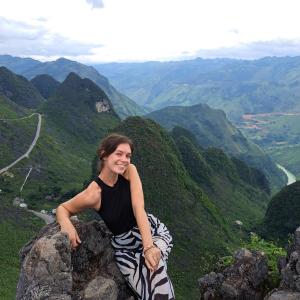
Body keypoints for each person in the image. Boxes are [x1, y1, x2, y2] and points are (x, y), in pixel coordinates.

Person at [56, 133, 175, 299]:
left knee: (157, 271)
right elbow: (63, 208)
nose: (125, 160)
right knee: (153, 287)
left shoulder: (130, 171)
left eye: (128, 156)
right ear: (104, 155)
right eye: (119, 154)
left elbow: (138, 207)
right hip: (126, 248)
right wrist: (66, 224)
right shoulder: (93, 194)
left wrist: (148, 247)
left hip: (151, 231)